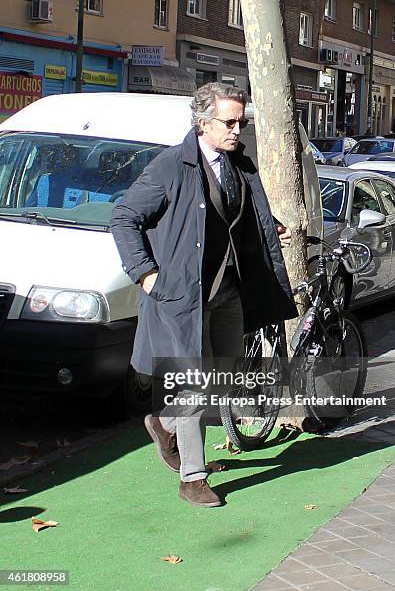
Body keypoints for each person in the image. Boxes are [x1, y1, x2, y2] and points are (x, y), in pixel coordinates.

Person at [111, 83, 297, 508]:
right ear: (202, 123)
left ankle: (163, 423)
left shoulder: (238, 165)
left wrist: (273, 227)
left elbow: (238, 215)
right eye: (228, 122)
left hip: (229, 291)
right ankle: (192, 477)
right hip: (181, 298)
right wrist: (147, 276)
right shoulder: (170, 167)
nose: (237, 129)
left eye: (241, 122)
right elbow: (124, 219)